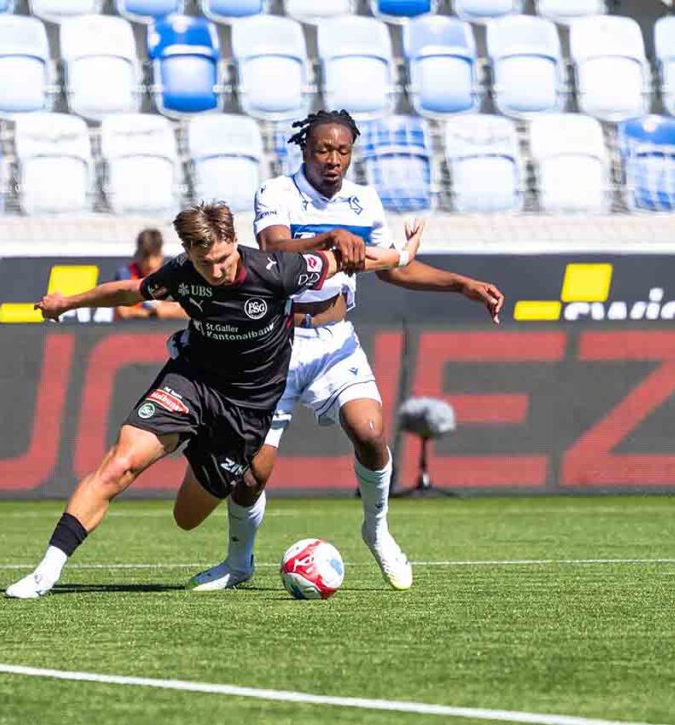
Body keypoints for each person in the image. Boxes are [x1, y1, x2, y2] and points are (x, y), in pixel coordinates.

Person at [5, 201, 425, 599]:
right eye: (206, 262)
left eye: (224, 258)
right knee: (120, 463)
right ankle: (47, 572)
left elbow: (350, 260)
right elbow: (132, 291)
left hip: (246, 408)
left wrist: (403, 256)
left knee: (186, 518)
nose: (217, 269)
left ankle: (235, 536)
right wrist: (66, 303)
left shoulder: (277, 271)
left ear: (234, 242)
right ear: (188, 251)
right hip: (191, 382)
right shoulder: (183, 273)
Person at [188, 110, 505, 593]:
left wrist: (461, 284)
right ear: (304, 150)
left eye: (342, 151)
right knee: (252, 475)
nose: (332, 160)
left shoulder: (365, 201)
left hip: (336, 342)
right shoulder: (277, 192)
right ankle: (239, 562)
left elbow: (390, 267)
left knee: (371, 432)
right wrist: (332, 239)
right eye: (322, 150)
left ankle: (376, 529)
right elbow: (276, 249)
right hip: (275, 345)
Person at [114, 228, 187, 321]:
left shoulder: (174, 274)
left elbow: (189, 312)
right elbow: (122, 313)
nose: (150, 264)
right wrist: (153, 314)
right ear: (137, 254)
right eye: (145, 257)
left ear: (161, 254)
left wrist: (168, 312)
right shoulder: (126, 274)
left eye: (155, 256)